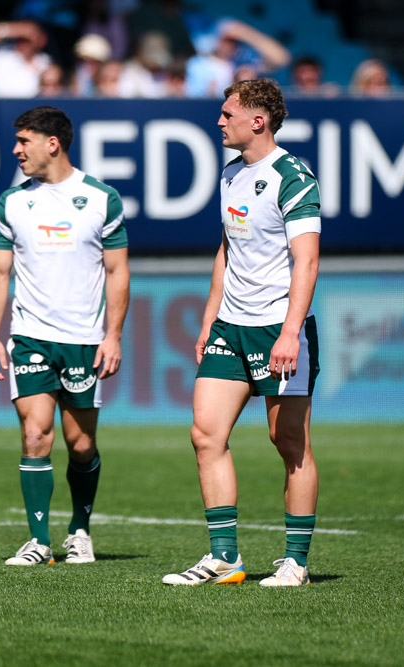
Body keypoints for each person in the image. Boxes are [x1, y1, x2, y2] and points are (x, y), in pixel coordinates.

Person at [162, 78, 321, 587]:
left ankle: (295, 562)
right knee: (205, 434)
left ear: (259, 120)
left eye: (227, 113)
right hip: (231, 326)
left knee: (288, 440)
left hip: (278, 326)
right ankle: (224, 558)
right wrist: (210, 317)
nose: (219, 121)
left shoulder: (293, 176)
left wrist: (291, 332)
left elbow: (307, 260)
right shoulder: (231, 174)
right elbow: (227, 250)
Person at [0, 106, 130, 566]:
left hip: (85, 340)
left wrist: (113, 335)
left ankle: (79, 530)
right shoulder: (12, 201)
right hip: (29, 337)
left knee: (81, 445)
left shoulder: (102, 198)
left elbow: (117, 269)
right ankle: (39, 541)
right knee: (35, 435)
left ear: (53, 143)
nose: (16, 150)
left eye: (24, 141)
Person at [185, 19, 290, 98]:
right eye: (228, 40)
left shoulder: (244, 63)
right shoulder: (198, 64)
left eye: (236, 41)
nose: (232, 45)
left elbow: (281, 59)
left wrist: (246, 34)